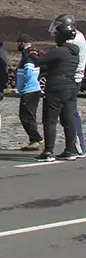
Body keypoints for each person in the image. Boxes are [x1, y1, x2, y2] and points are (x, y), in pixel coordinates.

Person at [30, 20, 81, 162]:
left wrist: (31, 52)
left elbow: (40, 62)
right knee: (68, 119)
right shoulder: (74, 52)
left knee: (50, 120)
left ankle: (48, 151)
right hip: (70, 86)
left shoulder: (59, 51)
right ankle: (70, 150)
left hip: (56, 87)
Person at [48, 14, 85, 156]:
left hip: (71, 78)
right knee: (68, 114)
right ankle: (74, 146)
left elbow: (64, 58)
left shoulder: (74, 41)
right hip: (71, 77)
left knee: (70, 114)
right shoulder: (74, 37)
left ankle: (77, 146)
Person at [15, 34, 43, 151]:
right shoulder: (34, 52)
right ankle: (34, 139)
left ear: (22, 43)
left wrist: (24, 85)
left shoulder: (28, 54)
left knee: (26, 116)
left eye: (18, 43)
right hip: (32, 90)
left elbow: (29, 70)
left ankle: (36, 139)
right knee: (29, 115)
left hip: (29, 90)